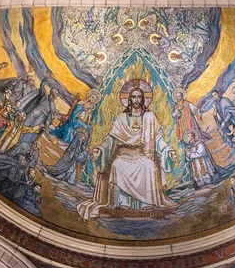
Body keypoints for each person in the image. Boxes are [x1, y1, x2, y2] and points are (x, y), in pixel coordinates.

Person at [76, 80, 178, 220]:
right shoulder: (122, 118)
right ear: (129, 99)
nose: (136, 100)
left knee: (148, 166)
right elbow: (110, 139)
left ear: (144, 99)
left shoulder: (150, 118)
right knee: (118, 165)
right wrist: (99, 149)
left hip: (144, 154)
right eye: (133, 97)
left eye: (139, 97)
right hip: (124, 154)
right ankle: (123, 202)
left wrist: (168, 150)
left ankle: (145, 203)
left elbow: (158, 139)